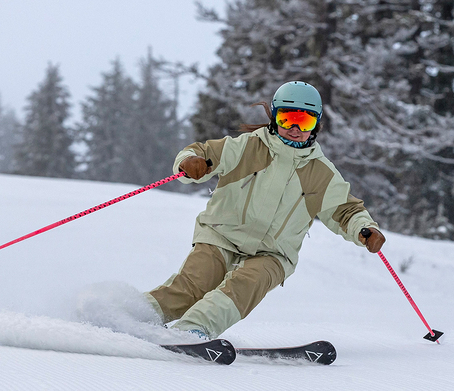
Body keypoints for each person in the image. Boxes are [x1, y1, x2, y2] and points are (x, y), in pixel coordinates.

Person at [144, 81, 385, 339]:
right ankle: (131, 315)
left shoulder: (322, 173)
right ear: (274, 117)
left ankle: (192, 331)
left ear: (316, 124)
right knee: (192, 286)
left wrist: (364, 229)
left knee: (244, 286)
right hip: (221, 236)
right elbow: (201, 152)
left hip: (273, 253)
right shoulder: (247, 147)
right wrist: (189, 163)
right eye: (287, 118)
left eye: (304, 122)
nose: (294, 128)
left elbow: (345, 210)